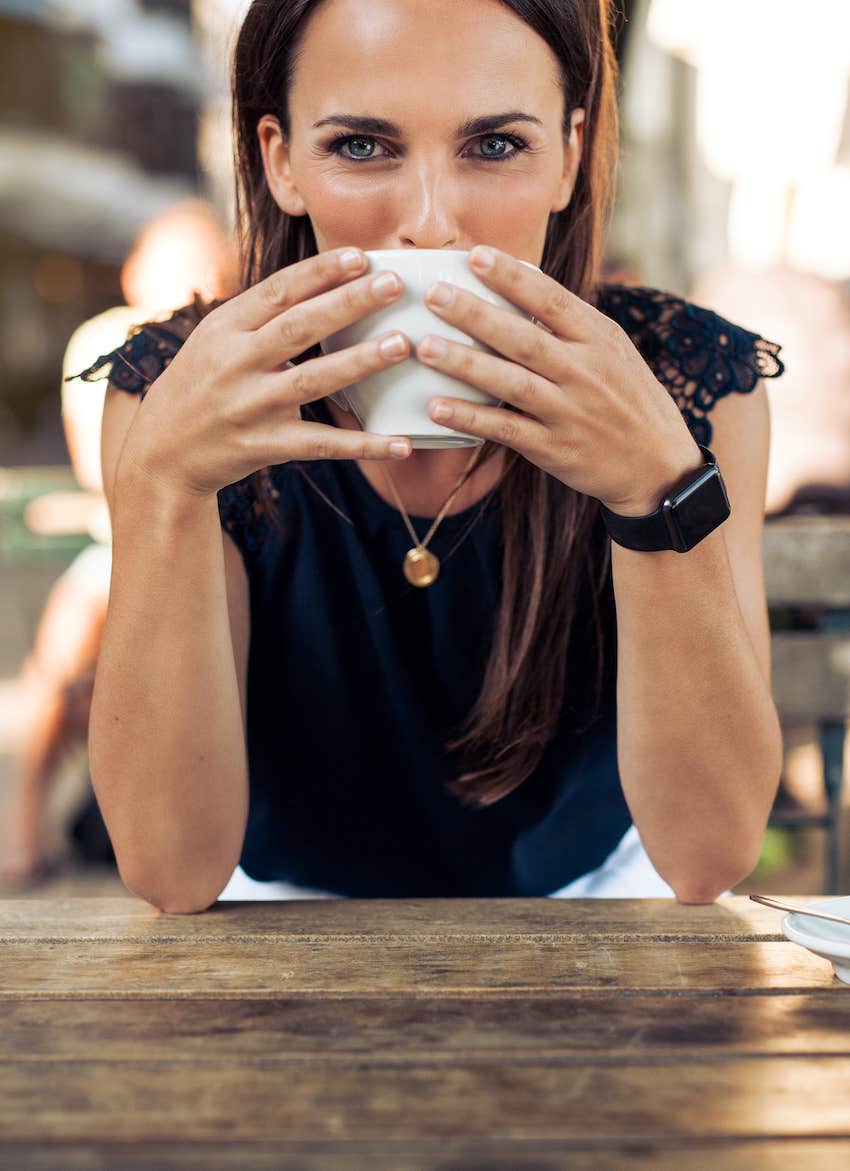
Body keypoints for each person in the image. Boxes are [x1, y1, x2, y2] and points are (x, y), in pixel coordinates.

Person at [69, 0, 785, 913]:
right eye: (363, 146)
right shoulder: (180, 392)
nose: (431, 223)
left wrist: (656, 488)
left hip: (596, 909)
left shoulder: (688, 383)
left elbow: (708, 854)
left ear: (569, 155)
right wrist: (164, 484)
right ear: (281, 161)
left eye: (495, 145)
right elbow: (173, 870)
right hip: (271, 923)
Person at [0, 199, 238, 889]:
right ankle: (22, 828)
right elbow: (99, 463)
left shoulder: (223, 338)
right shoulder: (110, 341)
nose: (194, 276)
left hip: (207, 538)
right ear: (138, 271)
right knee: (57, 670)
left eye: (204, 261)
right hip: (118, 540)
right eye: (177, 262)